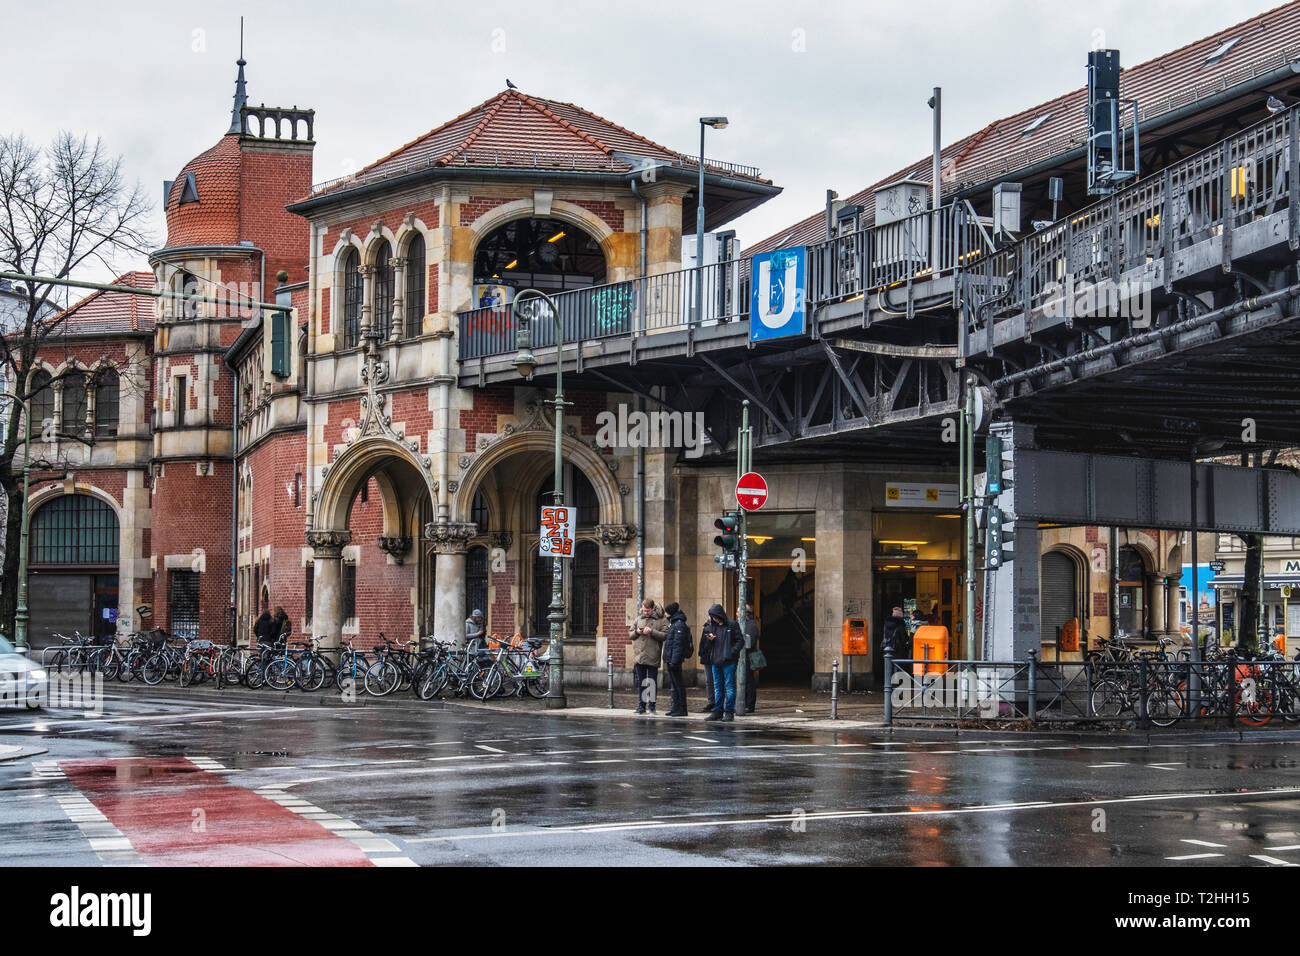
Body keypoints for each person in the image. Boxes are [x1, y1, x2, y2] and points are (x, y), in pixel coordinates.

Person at [702, 603, 744, 722]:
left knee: (729, 687)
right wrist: (710, 640)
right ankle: (718, 711)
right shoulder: (713, 626)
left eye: (715, 616)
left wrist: (731, 653)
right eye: (712, 617)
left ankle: (729, 712)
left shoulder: (732, 624)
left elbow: (740, 641)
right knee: (717, 687)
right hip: (715, 661)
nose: (714, 619)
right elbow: (708, 645)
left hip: (728, 661)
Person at [629, 598, 668, 714]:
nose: (645, 613)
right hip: (639, 657)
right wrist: (637, 632)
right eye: (644, 610)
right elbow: (630, 634)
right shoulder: (638, 618)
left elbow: (665, 635)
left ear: (652, 609)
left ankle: (652, 706)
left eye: (648, 611)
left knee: (651, 682)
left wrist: (651, 631)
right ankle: (641, 706)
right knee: (641, 682)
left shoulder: (661, 620)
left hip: (652, 656)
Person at [661, 602, 692, 717]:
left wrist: (674, 661)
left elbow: (678, 645)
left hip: (675, 661)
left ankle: (682, 709)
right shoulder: (674, 623)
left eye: (666, 612)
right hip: (672, 659)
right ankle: (676, 708)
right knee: (675, 685)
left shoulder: (678, 624)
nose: (665, 614)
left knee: (679, 685)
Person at [882, 606, 910, 679]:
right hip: (898, 648)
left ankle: (888, 682)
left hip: (887, 647)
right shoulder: (900, 625)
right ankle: (896, 681)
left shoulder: (886, 624)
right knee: (898, 664)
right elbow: (904, 638)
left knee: (889, 664)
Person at [742, 604, 760, 713]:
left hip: (748, 657)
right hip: (743, 657)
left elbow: (750, 642)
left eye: (738, 612)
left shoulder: (751, 626)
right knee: (744, 680)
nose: (736, 614)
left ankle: (749, 704)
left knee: (749, 681)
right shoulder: (745, 624)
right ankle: (744, 703)